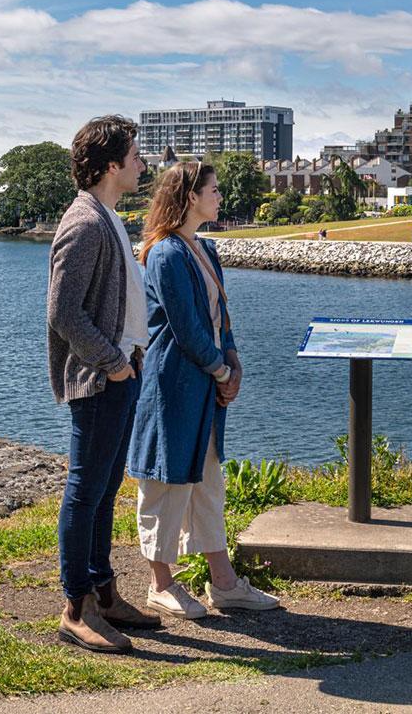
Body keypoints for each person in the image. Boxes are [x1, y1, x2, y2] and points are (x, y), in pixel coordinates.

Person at [129, 161, 279, 617]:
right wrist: (220, 371)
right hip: (173, 384)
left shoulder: (204, 249)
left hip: (206, 385)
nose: (219, 197)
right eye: (213, 190)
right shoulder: (166, 253)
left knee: (208, 481)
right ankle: (160, 582)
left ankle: (225, 582)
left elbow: (218, 319)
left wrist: (232, 360)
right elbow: (185, 327)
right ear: (190, 196)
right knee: (165, 480)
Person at [48, 116, 161, 654]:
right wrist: (113, 363)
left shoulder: (107, 215)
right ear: (112, 164)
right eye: (136, 155)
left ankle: (103, 591)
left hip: (122, 373)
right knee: (85, 491)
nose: (143, 164)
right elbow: (63, 312)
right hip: (101, 379)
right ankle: (77, 608)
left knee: (104, 490)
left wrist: (127, 363)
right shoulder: (85, 222)